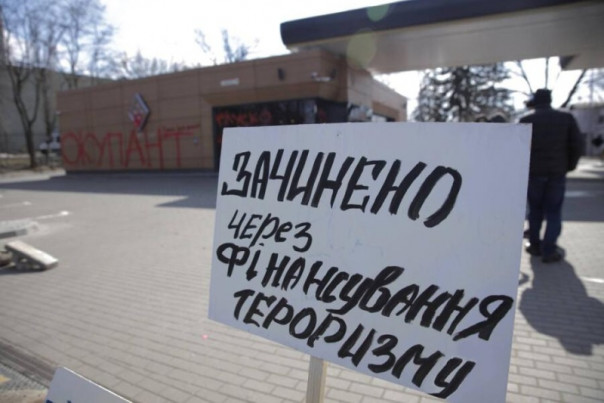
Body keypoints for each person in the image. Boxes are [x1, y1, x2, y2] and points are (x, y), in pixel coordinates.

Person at [520, 89, 583, 263]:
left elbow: (518, 149)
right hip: (556, 173)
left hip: (533, 173)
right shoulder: (566, 118)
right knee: (554, 212)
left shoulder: (527, 120)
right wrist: (569, 166)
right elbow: (577, 145)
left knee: (535, 211)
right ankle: (549, 250)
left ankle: (534, 245)